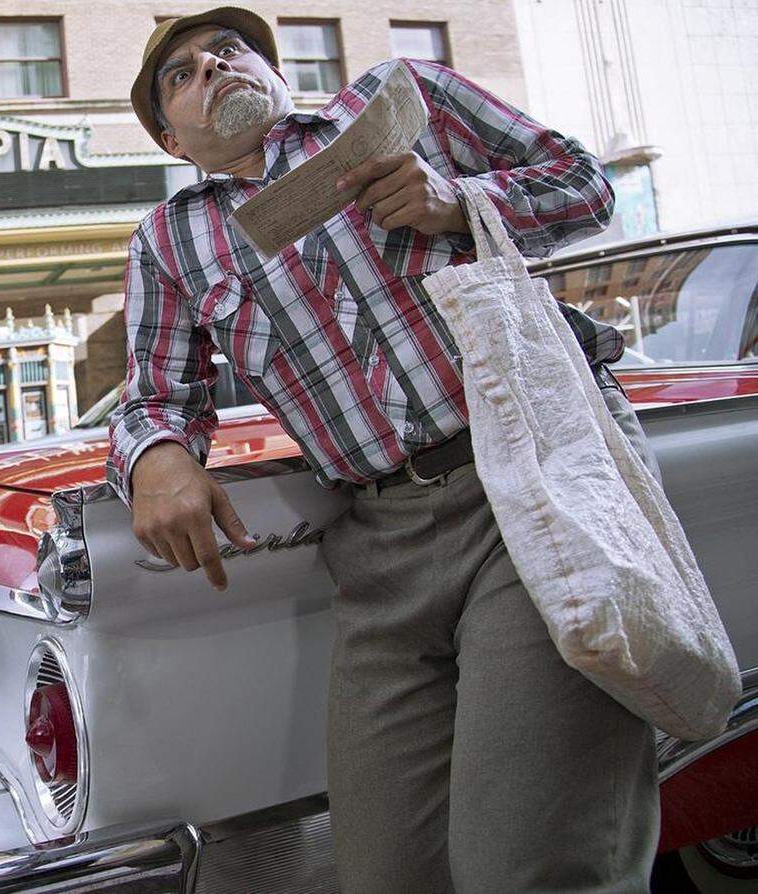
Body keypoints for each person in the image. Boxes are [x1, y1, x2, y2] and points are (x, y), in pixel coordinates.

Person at [108, 10, 659, 892]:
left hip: (530, 481)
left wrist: (463, 202)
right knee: (385, 874)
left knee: (530, 867)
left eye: (231, 48)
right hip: (380, 541)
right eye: (182, 73)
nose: (214, 63)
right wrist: (158, 457)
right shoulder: (171, 242)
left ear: (276, 72)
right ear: (171, 137)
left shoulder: (407, 98)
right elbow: (155, 396)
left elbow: (589, 187)